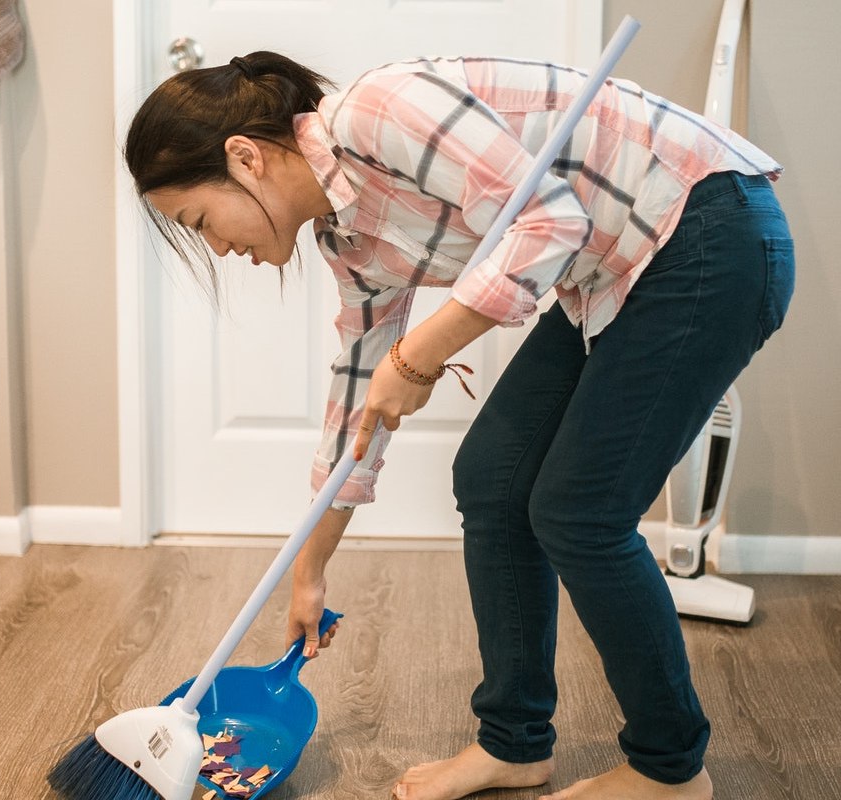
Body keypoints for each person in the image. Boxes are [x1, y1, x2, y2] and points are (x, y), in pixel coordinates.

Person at [124, 50, 792, 800]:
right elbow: (357, 404)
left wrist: (418, 357)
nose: (217, 247)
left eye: (200, 221)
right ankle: (515, 745)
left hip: (707, 230)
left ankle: (670, 771)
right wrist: (310, 572)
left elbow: (550, 218)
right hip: (612, 272)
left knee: (579, 512)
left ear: (244, 158)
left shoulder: (379, 111)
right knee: (493, 481)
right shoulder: (350, 241)